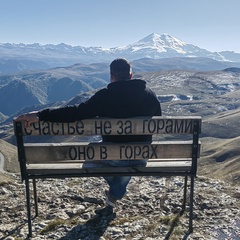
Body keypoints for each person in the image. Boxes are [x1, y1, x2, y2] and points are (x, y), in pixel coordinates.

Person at [16, 58, 161, 209]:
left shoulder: (105, 96)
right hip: (142, 155)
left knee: (89, 159)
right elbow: (157, 123)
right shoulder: (150, 95)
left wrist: (41, 115)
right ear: (131, 75)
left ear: (111, 75)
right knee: (127, 161)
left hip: (113, 157)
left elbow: (76, 113)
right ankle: (116, 192)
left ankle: (116, 191)